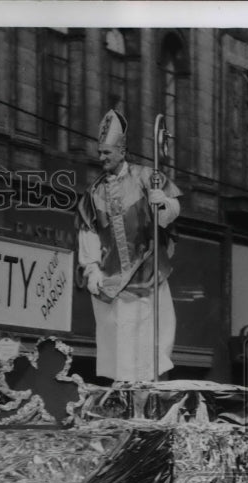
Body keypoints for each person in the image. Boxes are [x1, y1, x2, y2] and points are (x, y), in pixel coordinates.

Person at [76, 108, 182, 384]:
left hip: (148, 274)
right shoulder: (94, 192)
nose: (101, 158)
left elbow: (172, 212)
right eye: (100, 153)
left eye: (107, 153)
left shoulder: (147, 177)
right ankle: (125, 396)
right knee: (121, 351)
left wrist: (163, 203)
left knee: (152, 349)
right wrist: (91, 270)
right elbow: (88, 232)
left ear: (121, 151)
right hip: (115, 283)